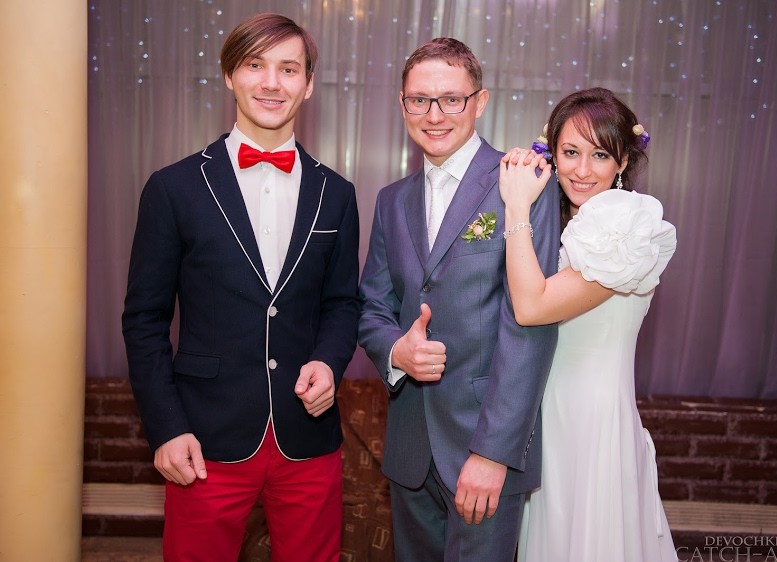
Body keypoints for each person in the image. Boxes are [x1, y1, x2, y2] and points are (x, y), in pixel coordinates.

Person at [121, 13, 360, 562]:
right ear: (230, 74)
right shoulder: (174, 187)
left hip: (308, 436)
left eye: (289, 69)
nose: (272, 83)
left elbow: (342, 303)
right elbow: (145, 320)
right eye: (255, 65)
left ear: (308, 84)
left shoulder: (337, 193)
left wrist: (329, 362)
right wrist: (166, 428)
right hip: (203, 438)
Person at [357, 37, 560, 562]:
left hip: (483, 447)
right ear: (402, 104)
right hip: (409, 448)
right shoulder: (391, 200)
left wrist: (494, 454)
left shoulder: (524, 184)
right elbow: (373, 305)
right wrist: (396, 351)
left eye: (451, 98)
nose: (434, 115)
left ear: (480, 101)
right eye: (419, 100)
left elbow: (529, 327)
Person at [498, 87, 678, 561]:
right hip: (545, 416)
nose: (581, 170)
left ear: (623, 161)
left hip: (590, 419)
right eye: (570, 152)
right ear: (552, 154)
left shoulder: (626, 223)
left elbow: (531, 307)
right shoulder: (564, 222)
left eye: (599, 155)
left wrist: (515, 207)